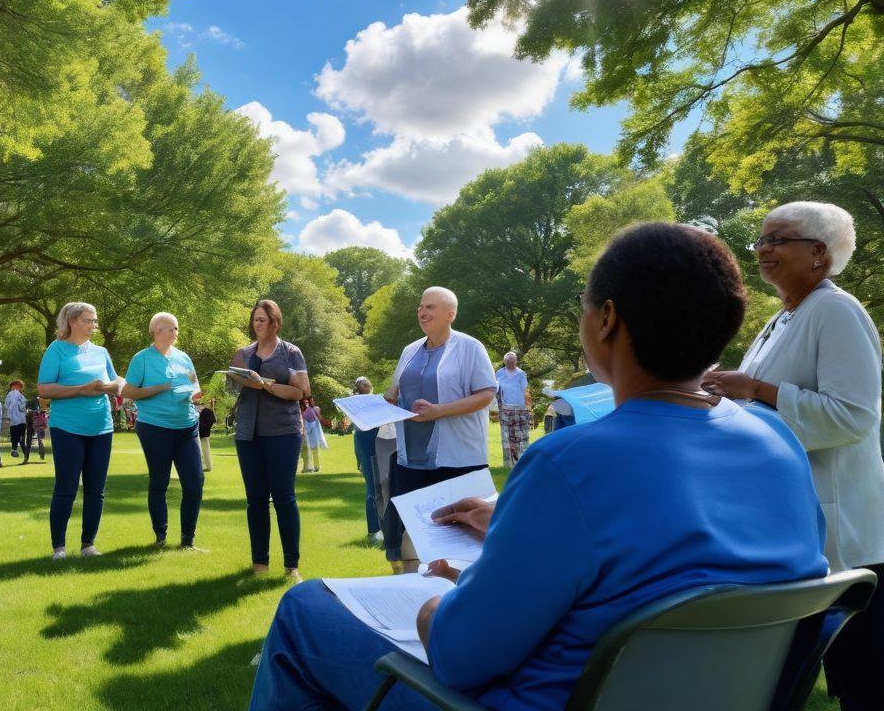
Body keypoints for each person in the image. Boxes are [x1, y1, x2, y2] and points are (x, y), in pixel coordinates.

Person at [250, 222, 830, 711]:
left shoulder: (570, 463)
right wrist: (512, 526)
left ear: (606, 319)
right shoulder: (776, 442)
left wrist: (439, 603)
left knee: (304, 610)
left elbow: (459, 655)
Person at [703, 201, 884, 711]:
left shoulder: (835, 310)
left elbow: (853, 417)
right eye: (760, 240)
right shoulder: (785, 315)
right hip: (797, 523)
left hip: (845, 533)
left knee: (861, 678)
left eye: (777, 239)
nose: (762, 250)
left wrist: (754, 388)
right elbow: (764, 401)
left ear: (819, 254)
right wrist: (723, 391)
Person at [382, 287, 498, 574]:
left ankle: (463, 589)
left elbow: (486, 394)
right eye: (420, 307)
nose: (422, 312)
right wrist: (382, 404)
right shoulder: (410, 350)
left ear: (451, 314)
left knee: (462, 532)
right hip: (411, 458)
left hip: (457, 458)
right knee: (417, 531)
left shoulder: (470, 347)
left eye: (430, 307)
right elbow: (394, 393)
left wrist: (439, 411)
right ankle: (417, 590)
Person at [228, 299, 311, 581]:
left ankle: (291, 566)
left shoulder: (290, 353)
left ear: (275, 322)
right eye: (255, 319)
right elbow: (231, 387)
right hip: (247, 433)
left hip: (283, 432)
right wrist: (231, 378)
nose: (257, 324)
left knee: (284, 498)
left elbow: (301, 392)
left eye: (262, 319)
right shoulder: (243, 352)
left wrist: (267, 385)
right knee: (255, 500)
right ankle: (259, 564)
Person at [37, 301, 122, 561]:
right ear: (72, 321)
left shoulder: (101, 351)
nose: (93, 325)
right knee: (66, 487)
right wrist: (82, 389)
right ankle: (59, 548)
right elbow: (44, 390)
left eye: (94, 321)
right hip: (67, 428)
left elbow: (117, 380)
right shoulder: (56, 350)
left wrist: (115, 384)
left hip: (101, 426)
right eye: (88, 320)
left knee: (96, 488)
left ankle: (88, 545)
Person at [122, 312, 206, 551]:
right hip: (154, 427)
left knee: (195, 483)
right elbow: (128, 391)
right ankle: (161, 537)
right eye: (171, 328)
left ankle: (187, 541)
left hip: (187, 426)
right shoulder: (142, 359)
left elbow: (194, 387)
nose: (175, 332)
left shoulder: (184, 358)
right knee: (159, 481)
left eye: (177, 328)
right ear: (156, 330)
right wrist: (163, 387)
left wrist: (194, 394)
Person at [350, 377, 383, 545]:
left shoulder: (376, 399)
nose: (367, 384)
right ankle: (373, 530)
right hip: (367, 440)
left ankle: (384, 527)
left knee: (382, 486)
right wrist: (359, 458)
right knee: (373, 487)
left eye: (368, 382)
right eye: (363, 383)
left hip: (381, 440)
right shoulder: (356, 402)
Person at [494, 351, 532, 467]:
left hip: (521, 410)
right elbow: (496, 390)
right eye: (508, 361)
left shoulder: (521, 374)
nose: (510, 362)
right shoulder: (499, 373)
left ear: (516, 361)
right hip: (505, 409)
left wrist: (528, 410)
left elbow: (526, 391)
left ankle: (522, 463)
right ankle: (509, 465)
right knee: (506, 438)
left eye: (512, 360)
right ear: (504, 362)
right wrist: (497, 407)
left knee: (522, 437)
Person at [299, 397, 328, 473]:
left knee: (314, 449)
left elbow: (317, 420)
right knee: (305, 450)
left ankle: (316, 467)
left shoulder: (314, 409)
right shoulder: (301, 411)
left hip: (313, 432)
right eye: (305, 402)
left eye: (307, 402)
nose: (306, 404)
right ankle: (306, 467)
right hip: (305, 432)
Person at [6, 379, 27, 458]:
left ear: (21, 388)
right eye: (14, 386)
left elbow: (23, 407)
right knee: (15, 435)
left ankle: (23, 452)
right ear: (11, 387)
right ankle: (14, 449)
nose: (15, 388)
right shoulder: (10, 395)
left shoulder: (22, 397)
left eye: (18, 387)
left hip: (21, 420)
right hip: (14, 420)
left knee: (20, 436)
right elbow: (6, 405)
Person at [196, 399, 217, 471]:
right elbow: (213, 421)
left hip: (200, 432)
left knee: (201, 450)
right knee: (205, 449)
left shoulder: (198, 410)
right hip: (205, 432)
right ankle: (207, 466)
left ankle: (203, 466)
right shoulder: (207, 410)